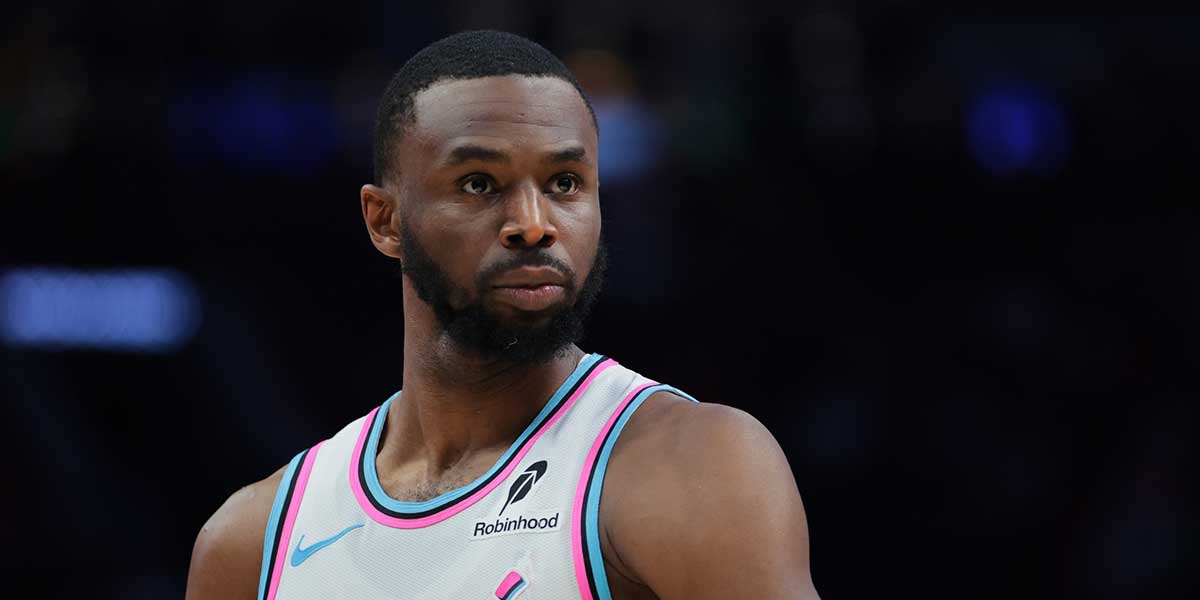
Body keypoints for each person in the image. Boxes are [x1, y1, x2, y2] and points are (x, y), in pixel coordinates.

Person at [186, 30, 819, 600]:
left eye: (565, 183)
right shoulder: (252, 541)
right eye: (478, 184)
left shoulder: (692, 467)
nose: (533, 224)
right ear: (385, 221)